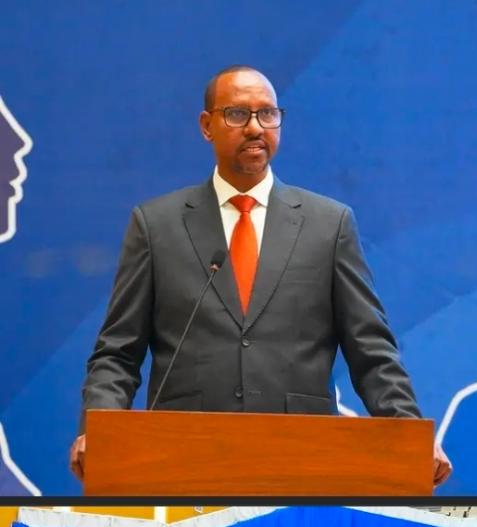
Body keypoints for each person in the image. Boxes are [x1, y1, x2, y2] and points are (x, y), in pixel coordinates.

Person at [71, 65, 451, 488]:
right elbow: (118, 353)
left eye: (267, 114)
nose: (255, 127)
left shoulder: (329, 224)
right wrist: (100, 430)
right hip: (185, 454)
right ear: (207, 126)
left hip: (302, 454)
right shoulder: (156, 224)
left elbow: (371, 350)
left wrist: (410, 431)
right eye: (238, 114)